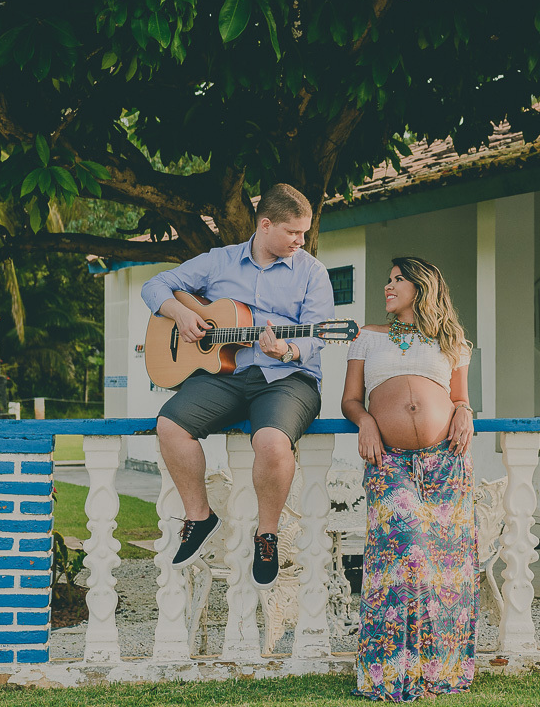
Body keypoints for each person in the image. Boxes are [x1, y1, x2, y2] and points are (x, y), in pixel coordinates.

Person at [141, 183, 335, 588]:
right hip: (224, 373)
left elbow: (317, 335)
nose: (301, 241)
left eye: (304, 232)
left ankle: (267, 535)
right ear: (265, 225)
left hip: (287, 377)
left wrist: (286, 349)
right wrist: (179, 313)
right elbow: (155, 286)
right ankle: (199, 517)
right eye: (293, 232)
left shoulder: (312, 273)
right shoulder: (219, 262)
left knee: (271, 441)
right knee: (170, 425)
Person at [341, 256, 477, 702]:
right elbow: (350, 400)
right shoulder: (366, 338)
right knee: (408, 555)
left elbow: (460, 398)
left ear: (421, 287)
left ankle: (435, 671)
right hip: (390, 460)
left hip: (445, 462)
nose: (388, 285)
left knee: (443, 568)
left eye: (399, 279)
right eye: (389, 278)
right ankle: (390, 672)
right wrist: (363, 421)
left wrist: (464, 413)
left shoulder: (452, 342)